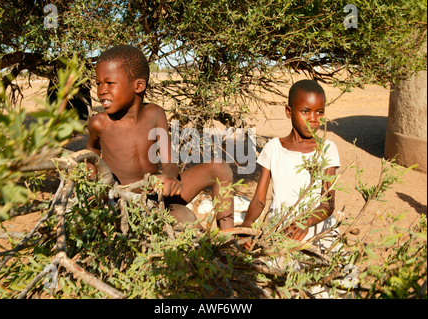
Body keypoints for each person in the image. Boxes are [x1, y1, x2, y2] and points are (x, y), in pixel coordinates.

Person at [85, 44, 234, 230]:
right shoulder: (99, 123)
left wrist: (170, 177)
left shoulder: (155, 114)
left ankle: (227, 237)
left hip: (157, 193)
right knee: (186, 217)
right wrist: (92, 185)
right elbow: (91, 151)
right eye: (98, 83)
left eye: (109, 83)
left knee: (220, 168)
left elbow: (168, 161)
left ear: (138, 86)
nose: (101, 90)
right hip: (127, 202)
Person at [240, 79, 340, 244]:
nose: (313, 119)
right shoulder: (274, 148)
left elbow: (328, 204)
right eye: (305, 111)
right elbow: (259, 200)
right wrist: (246, 227)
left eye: (319, 112)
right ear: (289, 111)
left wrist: (304, 222)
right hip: (280, 228)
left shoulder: (327, 149)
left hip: (315, 229)